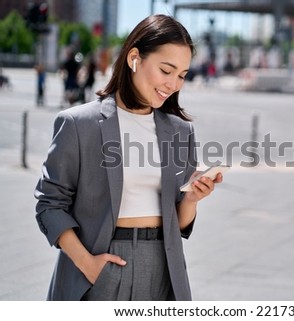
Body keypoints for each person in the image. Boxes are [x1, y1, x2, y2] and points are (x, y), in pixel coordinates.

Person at [34, 14, 223, 301]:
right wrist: (89, 265)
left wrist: (191, 199)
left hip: (163, 267)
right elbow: (49, 205)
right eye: (166, 70)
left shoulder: (180, 132)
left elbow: (179, 223)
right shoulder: (78, 124)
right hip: (99, 263)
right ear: (134, 58)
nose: (173, 84)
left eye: (182, 75)